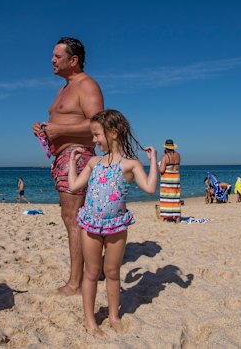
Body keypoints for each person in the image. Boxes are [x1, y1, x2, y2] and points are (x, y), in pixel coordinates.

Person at [67, 109, 158, 337]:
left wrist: (154, 161)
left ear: (113, 133)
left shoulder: (131, 164)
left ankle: (114, 316)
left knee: (113, 272)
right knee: (91, 273)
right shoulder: (93, 162)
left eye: (97, 135)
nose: (94, 140)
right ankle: (90, 322)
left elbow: (149, 188)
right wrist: (71, 162)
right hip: (90, 225)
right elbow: (74, 186)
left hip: (117, 226)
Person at [32, 37, 104, 295]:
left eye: (57, 56)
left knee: (72, 217)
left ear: (73, 60)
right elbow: (64, 120)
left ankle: (76, 283)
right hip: (64, 157)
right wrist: (45, 130)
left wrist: (60, 129)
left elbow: (98, 124)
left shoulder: (86, 85)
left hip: (77, 156)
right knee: (79, 218)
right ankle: (93, 269)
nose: (51, 60)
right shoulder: (65, 88)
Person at [158, 139, 181, 222]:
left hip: (167, 178)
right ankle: (177, 218)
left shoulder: (165, 157)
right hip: (176, 177)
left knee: (166, 198)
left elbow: (161, 170)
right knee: (175, 198)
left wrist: (158, 165)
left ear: (165, 148)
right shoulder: (178, 155)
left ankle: (169, 217)